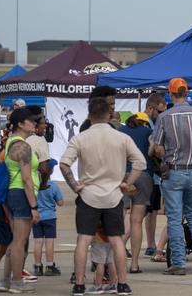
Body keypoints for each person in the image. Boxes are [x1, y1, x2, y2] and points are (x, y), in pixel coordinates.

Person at [60, 96, 144, 296]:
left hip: (89, 195)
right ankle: (122, 284)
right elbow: (140, 162)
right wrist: (127, 183)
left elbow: (64, 164)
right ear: (110, 114)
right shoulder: (121, 137)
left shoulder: (80, 138)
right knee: (116, 241)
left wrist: (74, 185)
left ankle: (79, 284)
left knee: (84, 240)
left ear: (89, 115)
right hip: (113, 196)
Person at [148, 77, 192, 276]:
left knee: (175, 219)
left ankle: (178, 263)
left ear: (171, 94)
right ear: (187, 92)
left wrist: (161, 150)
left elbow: (158, 149)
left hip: (174, 172)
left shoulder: (165, 117)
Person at [0, 109, 41, 293]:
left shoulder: (11, 143)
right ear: (20, 124)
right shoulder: (23, 147)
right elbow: (26, 179)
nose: (35, 123)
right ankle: (16, 282)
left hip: (12, 193)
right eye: (31, 121)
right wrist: (34, 206)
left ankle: (5, 281)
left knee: (14, 240)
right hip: (22, 195)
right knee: (20, 241)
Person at [118, 112, 154, 274]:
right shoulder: (148, 132)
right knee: (136, 221)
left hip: (122, 176)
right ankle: (134, 264)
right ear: (143, 122)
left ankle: (112, 262)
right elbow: (154, 150)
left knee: (117, 219)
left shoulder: (120, 131)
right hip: (143, 175)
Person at [141, 93, 166, 261]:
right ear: (151, 108)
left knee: (152, 212)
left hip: (151, 176)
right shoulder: (145, 123)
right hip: (149, 175)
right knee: (142, 212)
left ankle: (150, 244)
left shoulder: (148, 122)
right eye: (159, 111)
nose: (161, 115)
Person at [32, 176, 63, 277]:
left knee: (38, 241)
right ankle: (50, 266)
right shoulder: (53, 186)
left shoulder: (34, 185)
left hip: (36, 216)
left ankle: (37, 266)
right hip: (50, 217)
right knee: (49, 241)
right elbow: (60, 203)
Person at [25, 107, 51, 190]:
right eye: (43, 123)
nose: (45, 125)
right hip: (31, 187)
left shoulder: (15, 137)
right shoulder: (40, 140)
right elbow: (44, 169)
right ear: (34, 125)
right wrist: (44, 185)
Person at [88, 224, 116, 296]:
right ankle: (113, 284)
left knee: (100, 263)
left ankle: (98, 285)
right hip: (111, 236)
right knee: (110, 262)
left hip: (98, 238)